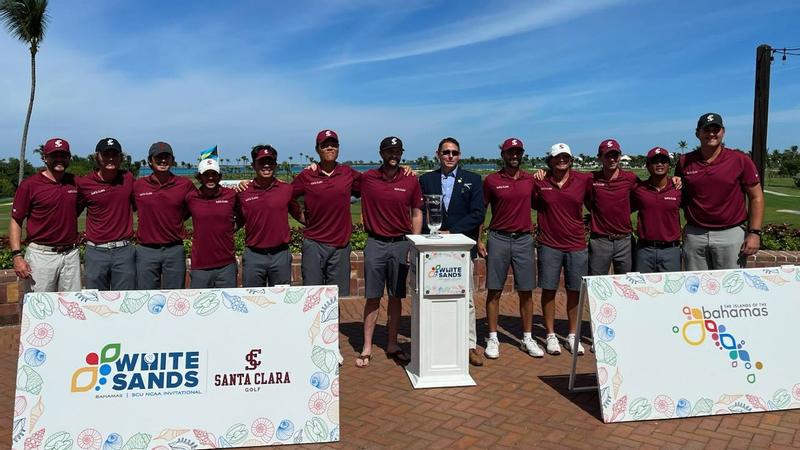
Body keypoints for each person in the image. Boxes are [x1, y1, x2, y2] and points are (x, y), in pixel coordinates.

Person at [356, 136, 423, 368]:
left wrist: (413, 243)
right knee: (372, 297)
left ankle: (392, 343)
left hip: (401, 243)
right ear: (381, 153)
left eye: (397, 151)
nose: (394, 155)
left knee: (396, 296)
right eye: (389, 151)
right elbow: (339, 179)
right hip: (375, 243)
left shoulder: (411, 180)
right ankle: (366, 346)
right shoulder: (367, 178)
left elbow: (416, 212)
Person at [420, 137, 486, 366]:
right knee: (435, 296)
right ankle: (436, 342)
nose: (450, 156)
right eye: (446, 152)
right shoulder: (426, 180)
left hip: (461, 249)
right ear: (437, 154)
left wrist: (452, 231)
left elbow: (478, 214)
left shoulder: (473, 180)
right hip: (433, 250)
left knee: (465, 298)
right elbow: (419, 211)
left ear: (460, 155)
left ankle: (469, 345)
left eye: (454, 153)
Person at [478, 138, 542, 359]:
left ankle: (527, 337)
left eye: (517, 152)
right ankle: (493, 337)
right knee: (494, 290)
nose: (514, 156)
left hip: (524, 239)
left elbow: (544, 203)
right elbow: (481, 211)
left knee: (526, 291)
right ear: (502, 155)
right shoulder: (492, 180)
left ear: (522, 154)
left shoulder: (530, 179)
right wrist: (479, 239)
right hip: (498, 238)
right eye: (510, 152)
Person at [676, 113, 764, 270]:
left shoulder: (740, 160)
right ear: (697, 133)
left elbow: (756, 196)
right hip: (695, 234)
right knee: (696, 288)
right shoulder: (684, 161)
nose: (711, 134)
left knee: (731, 288)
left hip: (730, 234)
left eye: (715, 129)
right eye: (706, 130)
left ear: (723, 132)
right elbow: (678, 191)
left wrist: (754, 233)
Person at [533, 143, 592, 355]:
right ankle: (549, 335)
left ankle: (573, 334)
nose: (562, 160)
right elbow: (532, 204)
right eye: (558, 157)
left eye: (565, 157)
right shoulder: (540, 181)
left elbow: (595, 201)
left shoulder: (583, 180)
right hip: (549, 244)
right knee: (548, 289)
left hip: (576, 243)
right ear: (550, 160)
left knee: (574, 290)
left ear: (571, 159)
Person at [292, 130, 361, 295]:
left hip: (340, 246)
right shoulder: (307, 175)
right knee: (312, 297)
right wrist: (301, 217)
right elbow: (286, 196)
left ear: (338, 148)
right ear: (317, 149)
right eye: (325, 145)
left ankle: (335, 323)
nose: (330, 148)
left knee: (337, 297)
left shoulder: (347, 173)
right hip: (314, 244)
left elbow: (374, 184)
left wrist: (403, 170)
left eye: (333, 145)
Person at [9, 138, 82, 293]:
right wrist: (17, 255)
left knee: (72, 306)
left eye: (63, 155)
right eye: (54, 155)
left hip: (70, 255)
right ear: (45, 158)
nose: (59, 159)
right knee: (39, 308)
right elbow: (16, 220)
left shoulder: (74, 182)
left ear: (69, 158)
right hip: (41, 256)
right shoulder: (30, 185)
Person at [237, 145, 303, 287]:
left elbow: (298, 214)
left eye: (270, 162)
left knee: (280, 302)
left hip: (280, 254)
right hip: (254, 255)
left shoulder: (286, 189)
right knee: (253, 301)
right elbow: (237, 220)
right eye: (261, 162)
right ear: (253, 165)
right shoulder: (243, 191)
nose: (266, 165)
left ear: (275, 165)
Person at [134, 142, 195, 289]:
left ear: (172, 160)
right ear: (150, 160)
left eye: (166, 157)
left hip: (174, 250)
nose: (163, 160)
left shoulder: (184, 185)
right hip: (146, 250)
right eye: (158, 157)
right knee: (147, 298)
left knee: (175, 298)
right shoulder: (138, 185)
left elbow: (197, 205)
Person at [77, 138, 136, 290]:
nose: (110, 158)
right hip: (96, 252)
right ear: (97, 156)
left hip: (124, 251)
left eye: (114, 154)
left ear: (121, 158)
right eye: (106, 154)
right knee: (96, 302)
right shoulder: (85, 183)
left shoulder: (128, 178)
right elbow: (72, 213)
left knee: (125, 301)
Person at [186, 158, 240, 288]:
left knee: (228, 306)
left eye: (214, 174)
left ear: (219, 176)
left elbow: (242, 216)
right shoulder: (191, 198)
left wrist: (229, 229)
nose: (211, 178)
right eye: (206, 175)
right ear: (200, 177)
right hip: (200, 265)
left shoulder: (231, 195)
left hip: (226, 264)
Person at [587, 139, 638, 275]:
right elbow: (588, 201)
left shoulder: (630, 178)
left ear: (620, 156)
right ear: (599, 158)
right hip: (600, 240)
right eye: (607, 155)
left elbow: (643, 195)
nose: (612, 159)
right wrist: (546, 171)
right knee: (597, 284)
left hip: (624, 240)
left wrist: (675, 179)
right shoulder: (591, 179)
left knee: (627, 283)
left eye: (615, 155)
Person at [632, 147, 682, 273]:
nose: (659, 164)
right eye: (655, 161)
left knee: (671, 290)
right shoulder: (639, 189)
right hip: (645, 249)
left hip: (671, 250)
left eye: (663, 161)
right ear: (648, 166)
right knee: (643, 289)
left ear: (669, 166)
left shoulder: (678, 189)